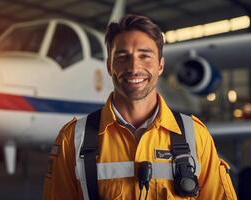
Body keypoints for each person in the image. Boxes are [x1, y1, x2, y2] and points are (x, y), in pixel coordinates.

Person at [43, 14, 237, 200]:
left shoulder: (196, 136)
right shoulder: (72, 140)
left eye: (145, 56)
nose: (134, 68)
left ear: (160, 65)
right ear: (109, 65)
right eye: (122, 57)